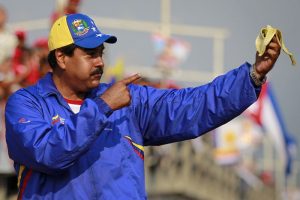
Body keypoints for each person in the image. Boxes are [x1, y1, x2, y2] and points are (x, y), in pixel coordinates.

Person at [5, 13, 281, 199]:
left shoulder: (129, 101)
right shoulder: (26, 104)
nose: (100, 62)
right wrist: (102, 107)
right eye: (90, 54)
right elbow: (48, 154)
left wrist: (253, 75)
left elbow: (192, 106)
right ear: (61, 58)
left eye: (101, 53)